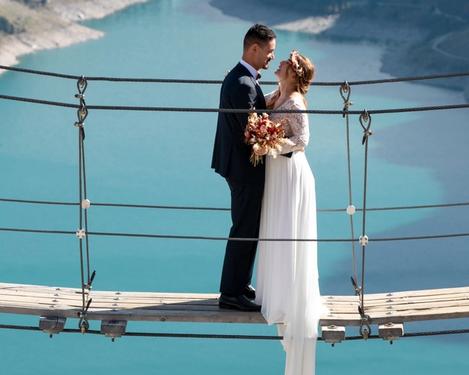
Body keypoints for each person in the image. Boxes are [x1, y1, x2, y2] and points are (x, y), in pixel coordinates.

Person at [255, 51, 323, 375]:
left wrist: (272, 144)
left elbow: (303, 140)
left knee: (288, 232)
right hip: (278, 176)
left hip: (292, 176)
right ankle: (278, 295)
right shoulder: (279, 94)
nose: (278, 64)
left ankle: (288, 300)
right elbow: (259, 110)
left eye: (283, 63)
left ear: (293, 73)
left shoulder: (295, 102)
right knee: (278, 230)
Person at [211, 24, 276, 311]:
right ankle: (230, 293)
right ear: (254, 49)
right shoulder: (242, 83)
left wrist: (269, 102)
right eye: (269, 51)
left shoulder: (242, 79)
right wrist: (281, 135)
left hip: (239, 167)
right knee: (244, 228)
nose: (271, 57)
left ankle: (240, 285)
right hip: (243, 169)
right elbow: (251, 129)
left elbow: (253, 115)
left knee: (249, 227)